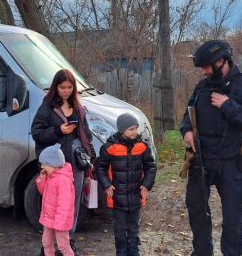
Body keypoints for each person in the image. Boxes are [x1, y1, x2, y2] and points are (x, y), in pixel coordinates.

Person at [180, 40, 242, 256]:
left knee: (232, 220)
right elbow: (188, 112)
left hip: (232, 163)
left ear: (220, 62)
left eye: (206, 66)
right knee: (196, 210)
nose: (203, 71)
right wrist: (186, 131)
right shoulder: (202, 86)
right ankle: (202, 252)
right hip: (202, 160)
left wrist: (228, 105)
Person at [31, 69, 94, 254]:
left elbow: (87, 135)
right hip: (55, 164)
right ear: (55, 87)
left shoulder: (79, 108)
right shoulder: (47, 107)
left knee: (72, 204)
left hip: (76, 162)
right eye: (62, 87)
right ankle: (48, 245)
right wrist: (58, 131)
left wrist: (91, 158)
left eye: (69, 87)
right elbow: (37, 133)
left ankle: (68, 241)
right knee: (52, 203)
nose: (66, 90)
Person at [96, 113, 157, 256]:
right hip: (117, 198)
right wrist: (106, 185)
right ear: (122, 130)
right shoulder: (109, 147)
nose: (135, 132)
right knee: (120, 230)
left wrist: (147, 184)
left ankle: (134, 252)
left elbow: (150, 166)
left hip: (136, 197)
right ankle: (121, 252)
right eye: (131, 129)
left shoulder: (142, 146)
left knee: (134, 229)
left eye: (136, 128)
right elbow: (100, 168)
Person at [35, 144, 76, 256]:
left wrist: (60, 222)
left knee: (63, 246)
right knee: (46, 243)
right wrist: (42, 179)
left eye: (45, 164)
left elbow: (65, 204)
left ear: (54, 164)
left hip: (59, 221)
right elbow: (44, 192)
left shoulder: (63, 180)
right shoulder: (51, 177)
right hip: (49, 219)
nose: (42, 167)